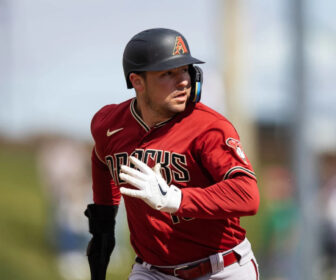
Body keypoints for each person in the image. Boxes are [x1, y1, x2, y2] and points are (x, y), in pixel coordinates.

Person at [85, 28, 260, 280]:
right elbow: (102, 160)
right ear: (137, 81)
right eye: (168, 73)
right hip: (152, 272)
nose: (183, 81)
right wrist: (104, 228)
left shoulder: (209, 127)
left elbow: (247, 195)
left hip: (221, 269)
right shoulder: (108, 124)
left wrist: (174, 199)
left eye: (185, 70)